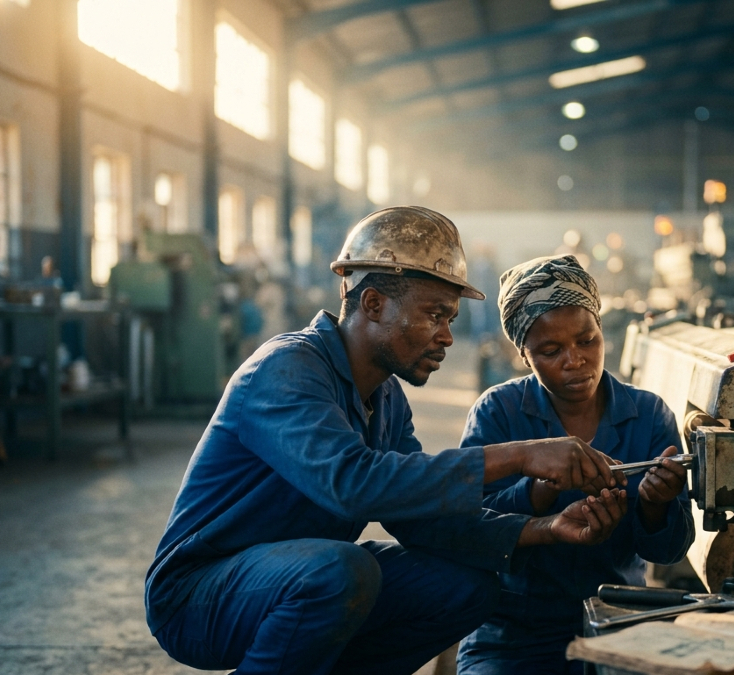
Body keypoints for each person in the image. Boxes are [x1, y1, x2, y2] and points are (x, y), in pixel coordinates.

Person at [145, 208, 630, 675]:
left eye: (450, 319)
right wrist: (522, 454)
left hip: (299, 577)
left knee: (467, 586)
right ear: (373, 303)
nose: (446, 336)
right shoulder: (286, 370)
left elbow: (422, 519)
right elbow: (352, 482)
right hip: (198, 594)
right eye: (434, 315)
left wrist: (547, 527)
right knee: (342, 571)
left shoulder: (387, 399)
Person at [456, 254, 695, 675]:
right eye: (551, 350)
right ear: (524, 356)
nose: (575, 360)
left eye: (587, 340)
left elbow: (669, 550)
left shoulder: (649, 414)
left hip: (620, 621)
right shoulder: (498, 413)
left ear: (602, 330)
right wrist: (539, 490)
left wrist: (657, 505)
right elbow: (467, 528)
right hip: (514, 633)